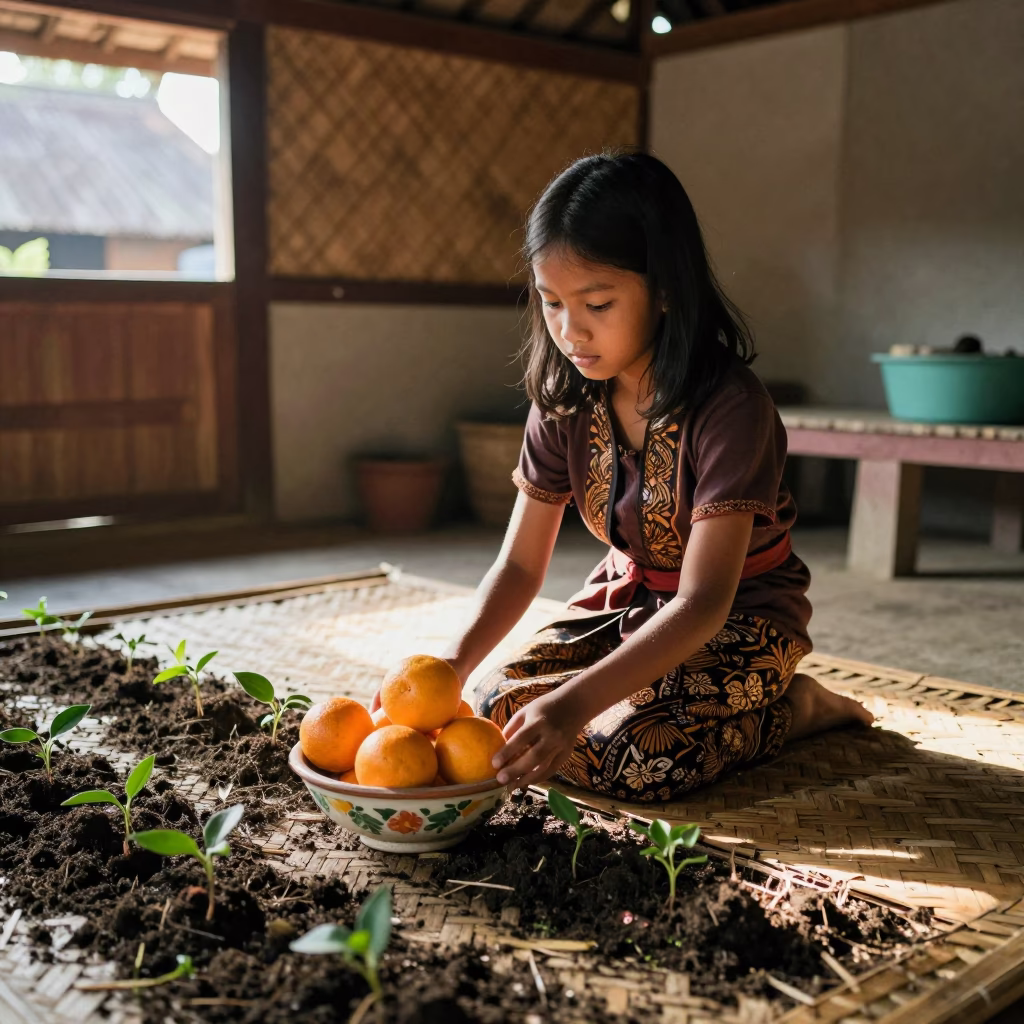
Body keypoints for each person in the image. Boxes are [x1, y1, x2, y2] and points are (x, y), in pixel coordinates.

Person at [405, 152, 871, 801]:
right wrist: (447, 668)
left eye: (597, 303)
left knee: (635, 758)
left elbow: (704, 601)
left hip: (740, 615)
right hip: (624, 601)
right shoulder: (565, 397)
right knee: (492, 710)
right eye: (551, 302)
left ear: (665, 289)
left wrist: (572, 707)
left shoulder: (731, 408)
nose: (570, 330)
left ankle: (802, 710)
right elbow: (517, 567)